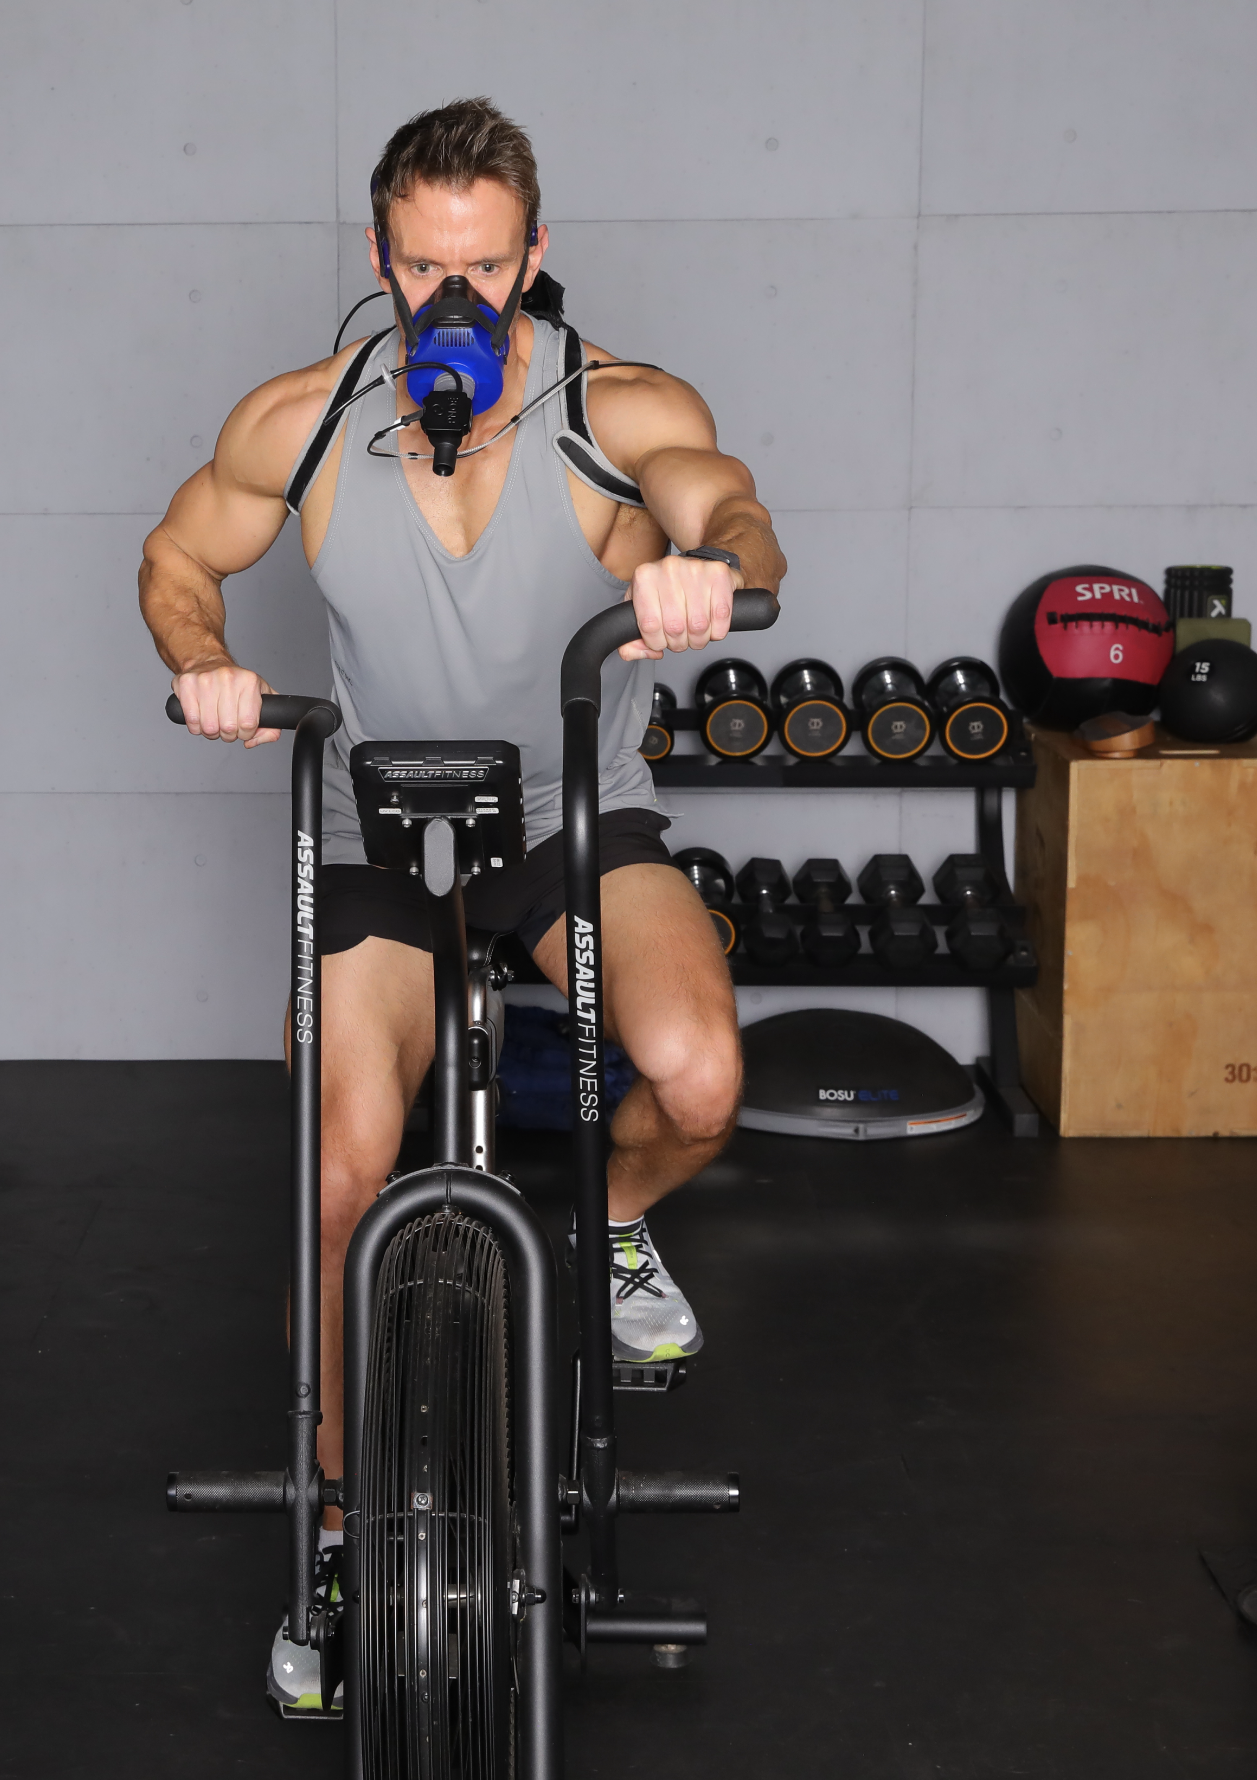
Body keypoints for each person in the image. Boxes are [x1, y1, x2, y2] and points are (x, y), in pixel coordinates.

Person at [139, 97, 787, 1714]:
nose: (451, 301)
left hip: (573, 821)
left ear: (533, 257)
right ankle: (348, 1533)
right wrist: (203, 661)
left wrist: (706, 563)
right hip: (378, 832)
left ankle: (614, 1222)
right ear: (379, 257)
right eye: (422, 265)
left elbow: (719, 491)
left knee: (699, 1081)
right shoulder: (301, 421)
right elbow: (173, 554)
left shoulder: (612, 405)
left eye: (483, 268)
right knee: (346, 1171)